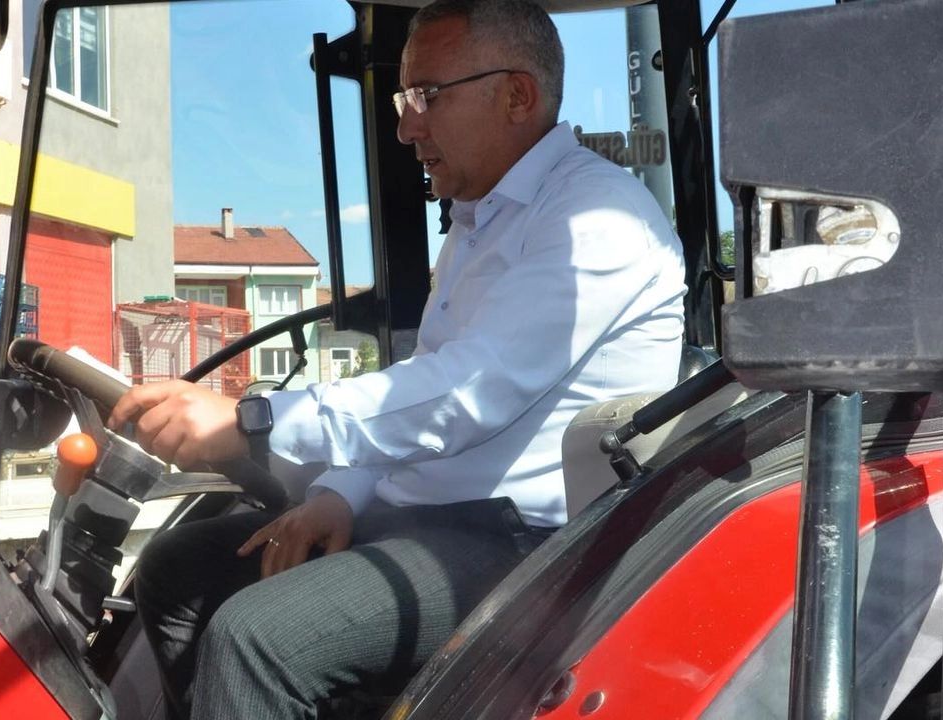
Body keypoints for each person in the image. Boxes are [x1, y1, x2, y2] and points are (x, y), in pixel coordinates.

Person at [108, 0, 686, 717]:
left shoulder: (598, 219)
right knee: (177, 569)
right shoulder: (481, 222)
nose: (407, 127)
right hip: (434, 519)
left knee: (256, 638)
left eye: (428, 96)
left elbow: (466, 393)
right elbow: (419, 392)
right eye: (404, 99)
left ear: (517, 95)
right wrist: (338, 495)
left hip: (533, 543)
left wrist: (255, 421)